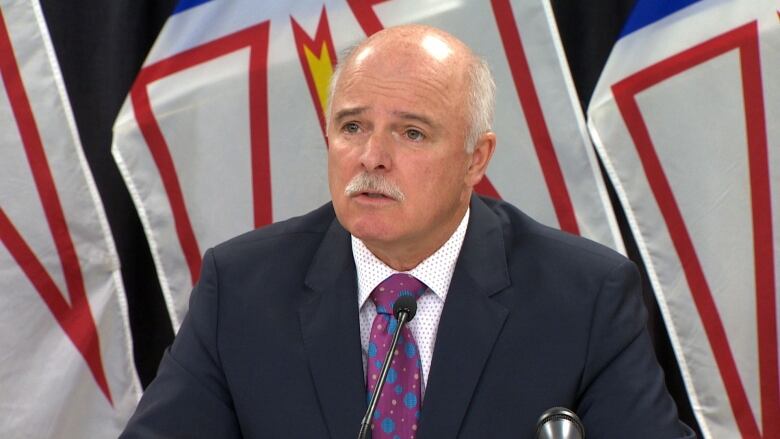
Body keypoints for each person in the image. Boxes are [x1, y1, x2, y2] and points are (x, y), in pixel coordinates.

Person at [120, 25, 694, 438]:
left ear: (476, 159)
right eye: (352, 126)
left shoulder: (584, 295)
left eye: (411, 134)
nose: (371, 157)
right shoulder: (242, 287)